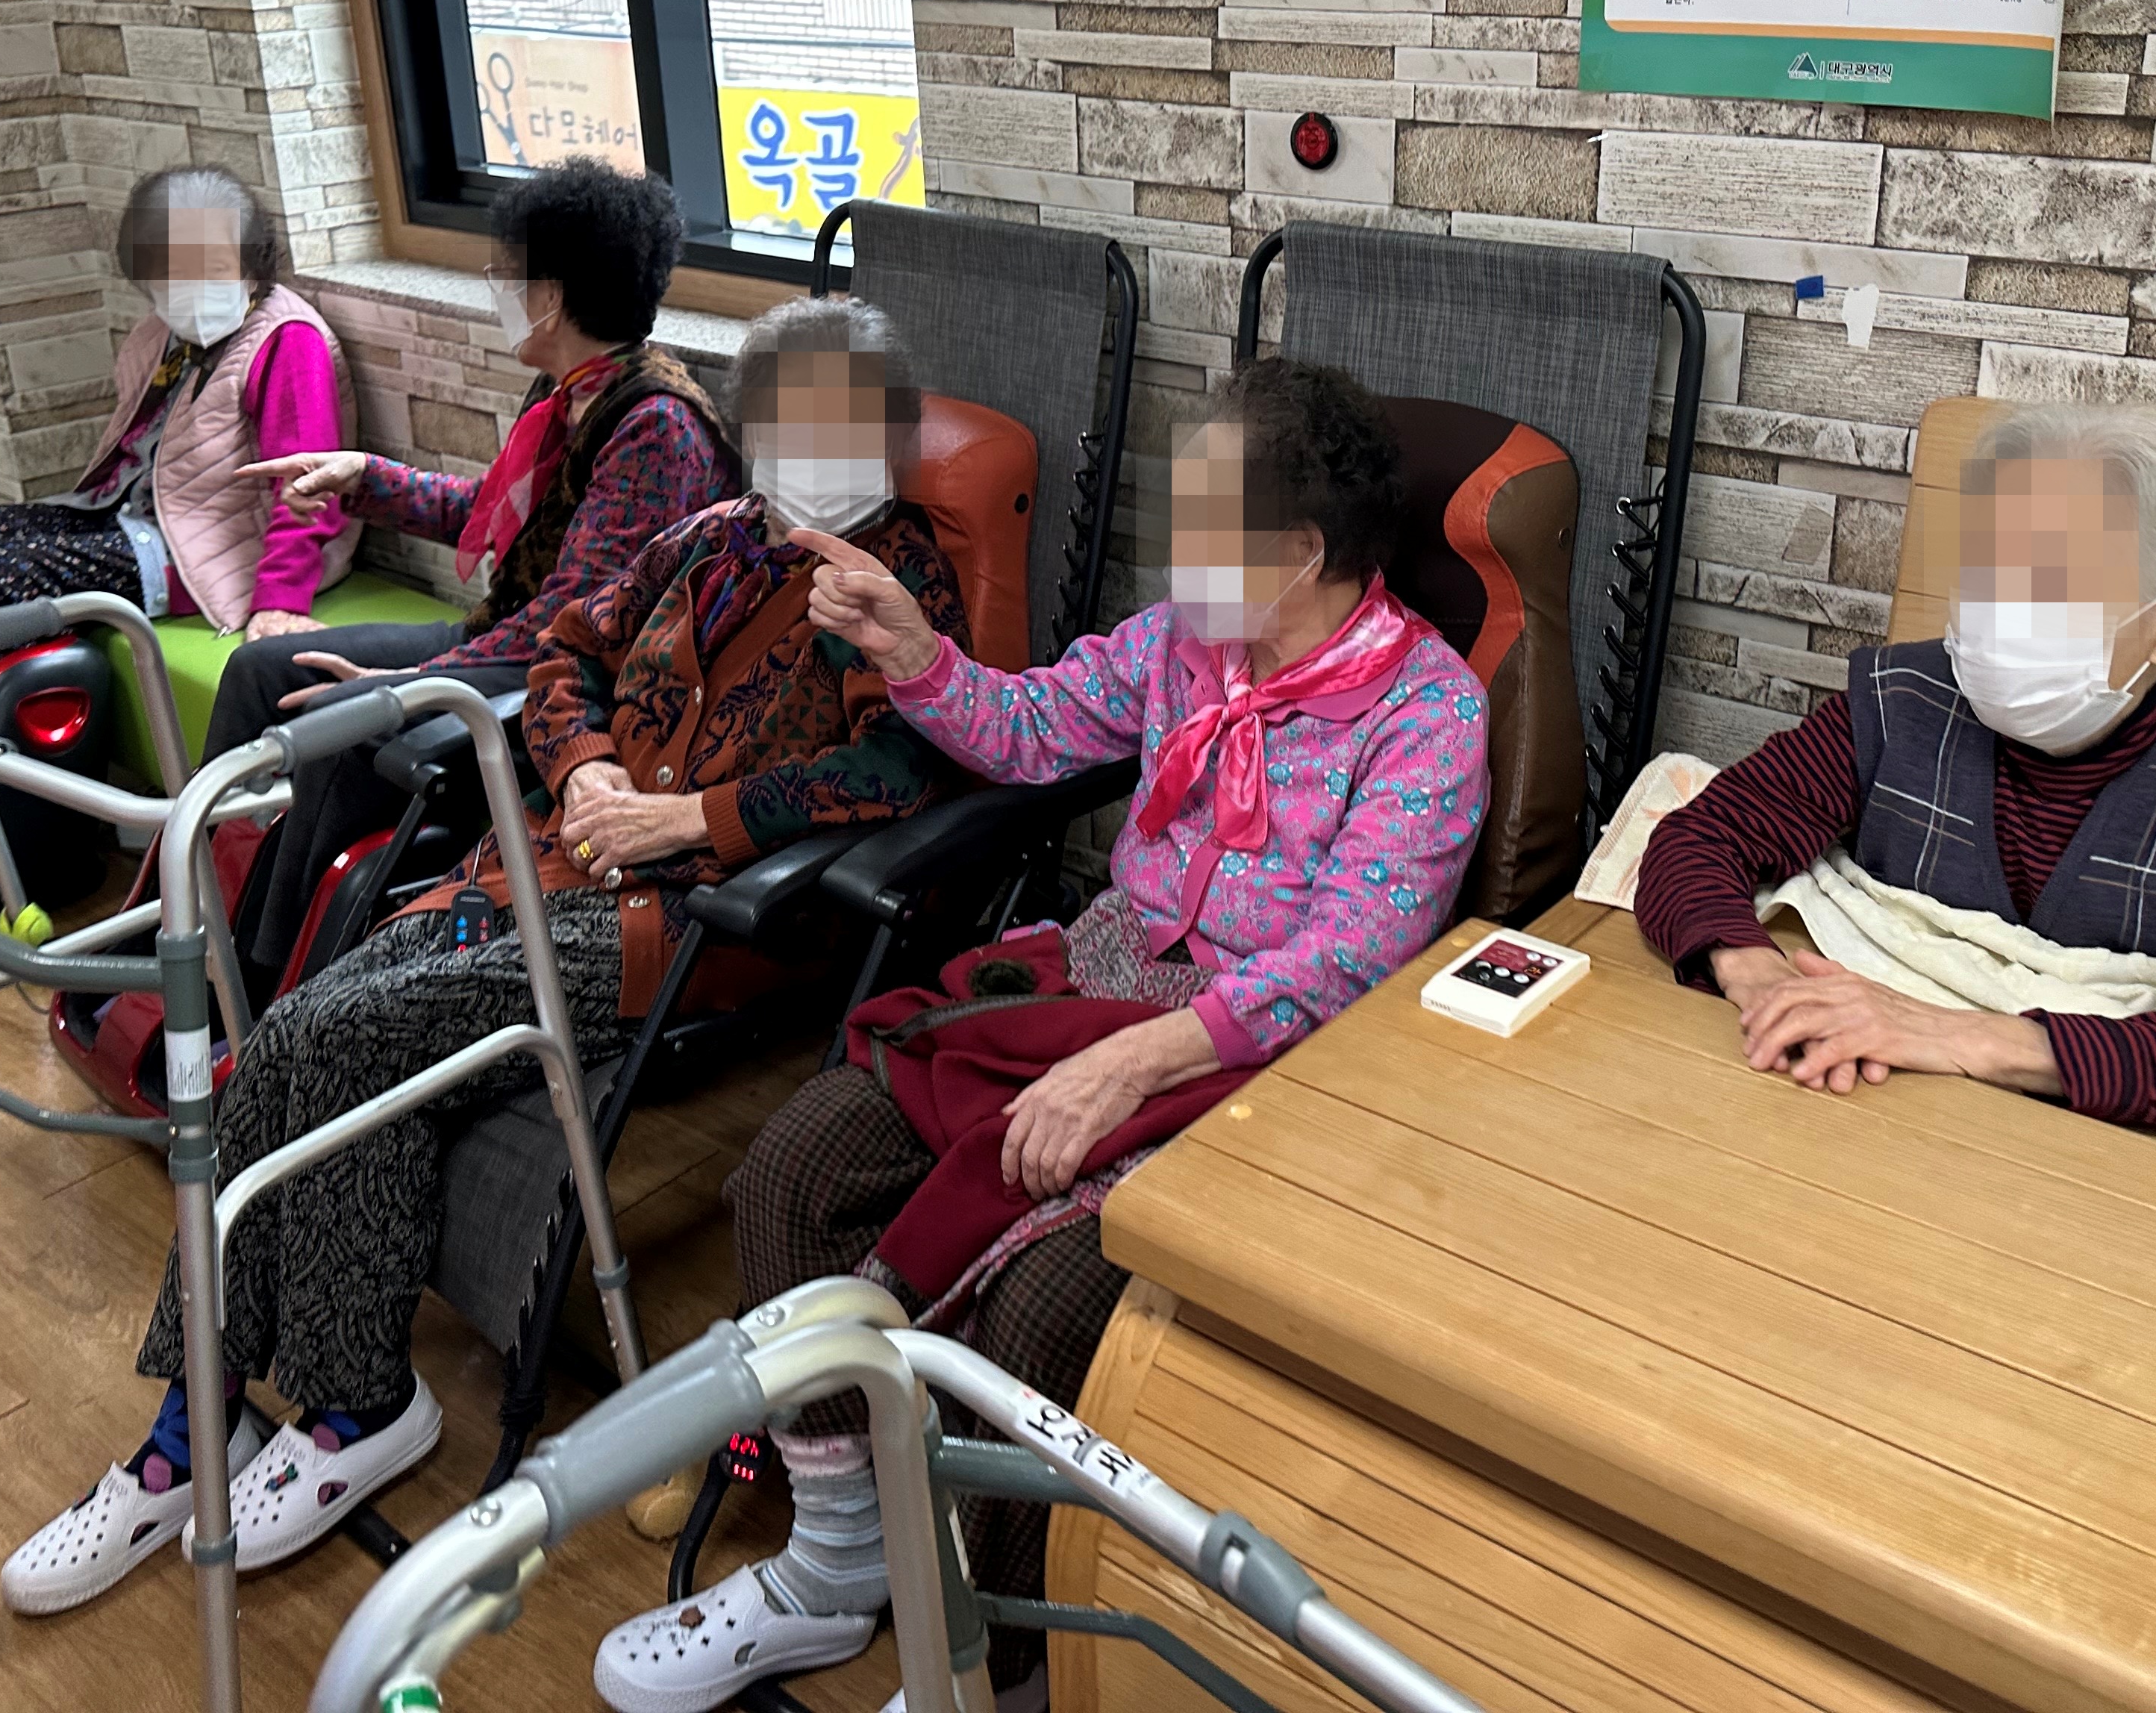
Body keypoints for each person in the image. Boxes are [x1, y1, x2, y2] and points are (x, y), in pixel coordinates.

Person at [0, 296, 972, 1617]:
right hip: (540, 863)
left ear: (890, 432)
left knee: (335, 1037)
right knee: (300, 1030)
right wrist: (584, 769)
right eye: (791, 416)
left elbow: (900, 768)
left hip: (685, 920)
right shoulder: (705, 538)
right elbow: (566, 648)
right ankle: (197, 1419)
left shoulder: (897, 581)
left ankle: (348, 1406)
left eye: (844, 418)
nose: (814, 442)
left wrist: (694, 818)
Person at [590, 358, 1491, 1713]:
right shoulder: (1182, 643)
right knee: (790, 1169)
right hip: (1100, 972)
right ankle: (838, 1560)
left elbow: (1347, 959)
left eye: (1202, 521)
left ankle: (1000, 1665)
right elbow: (1029, 728)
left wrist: (1129, 1060)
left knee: (1044, 1300)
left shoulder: (1429, 712)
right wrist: (913, 650)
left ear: (1300, 551)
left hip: (1264, 1054)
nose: (1172, 548)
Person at [1635, 403, 2156, 1136]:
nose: (2006, 608)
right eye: (1988, 566)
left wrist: (1946, 1033)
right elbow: (1700, 840)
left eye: (2056, 578)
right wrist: (1759, 979)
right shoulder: (1898, 701)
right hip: (1835, 1117)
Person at [210, 157, 737, 990]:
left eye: (506, 274)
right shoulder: (571, 391)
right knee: (260, 670)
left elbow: (571, 624)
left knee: (345, 723)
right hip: (503, 638)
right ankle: (198, 913)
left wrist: (412, 684)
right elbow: (499, 516)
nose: (498, 289)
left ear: (551, 297)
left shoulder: (656, 428)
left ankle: (265, 980)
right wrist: (362, 475)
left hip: (571, 682)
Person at [0, 165, 352, 637]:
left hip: (211, 554)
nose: (191, 285)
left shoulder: (288, 342)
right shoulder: (160, 334)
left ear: (252, 265)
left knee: (3, 572)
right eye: (172, 272)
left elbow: (312, 485)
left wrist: (280, 603)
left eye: (213, 267)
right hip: (126, 517)